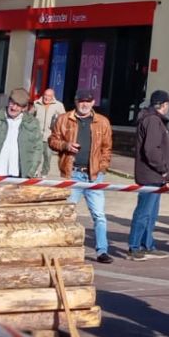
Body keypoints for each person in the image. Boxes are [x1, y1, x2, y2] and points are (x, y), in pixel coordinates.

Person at [50, 92, 114, 262]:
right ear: (76, 102)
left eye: (88, 101)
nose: (84, 104)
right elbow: (52, 141)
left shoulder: (102, 122)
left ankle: (102, 250)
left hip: (94, 176)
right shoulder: (64, 119)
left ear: (93, 102)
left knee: (99, 215)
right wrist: (65, 145)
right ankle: (63, 249)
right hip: (73, 173)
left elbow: (107, 148)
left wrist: (102, 167)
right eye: (81, 101)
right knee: (66, 213)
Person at [129, 89, 169, 258]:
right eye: (167, 104)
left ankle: (146, 244)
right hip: (151, 175)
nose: (168, 107)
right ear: (162, 105)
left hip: (155, 176)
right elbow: (151, 149)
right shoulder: (152, 121)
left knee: (151, 213)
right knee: (144, 212)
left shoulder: (154, 120)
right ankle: (135, 246)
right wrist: (163, 168)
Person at [0, 87, 44, 180]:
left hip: (20, 174)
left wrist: (31, 171)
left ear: (24, 108)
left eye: (18, 105)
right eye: (12, 103)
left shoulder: (32, 123)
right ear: (8, 102)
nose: (14, 107)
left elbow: (38, 149)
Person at [31, 87, 65, 176]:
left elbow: (64, 119)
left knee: (47, 157)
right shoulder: (36, 103)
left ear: (53, 96)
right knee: (36, 156)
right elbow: (30, 116)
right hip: (37, 135)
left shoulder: (58, 105)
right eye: (45, 95)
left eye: (49, 96)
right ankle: (34, 171)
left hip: (50, 136)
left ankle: (44, 173)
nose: (46, 98)